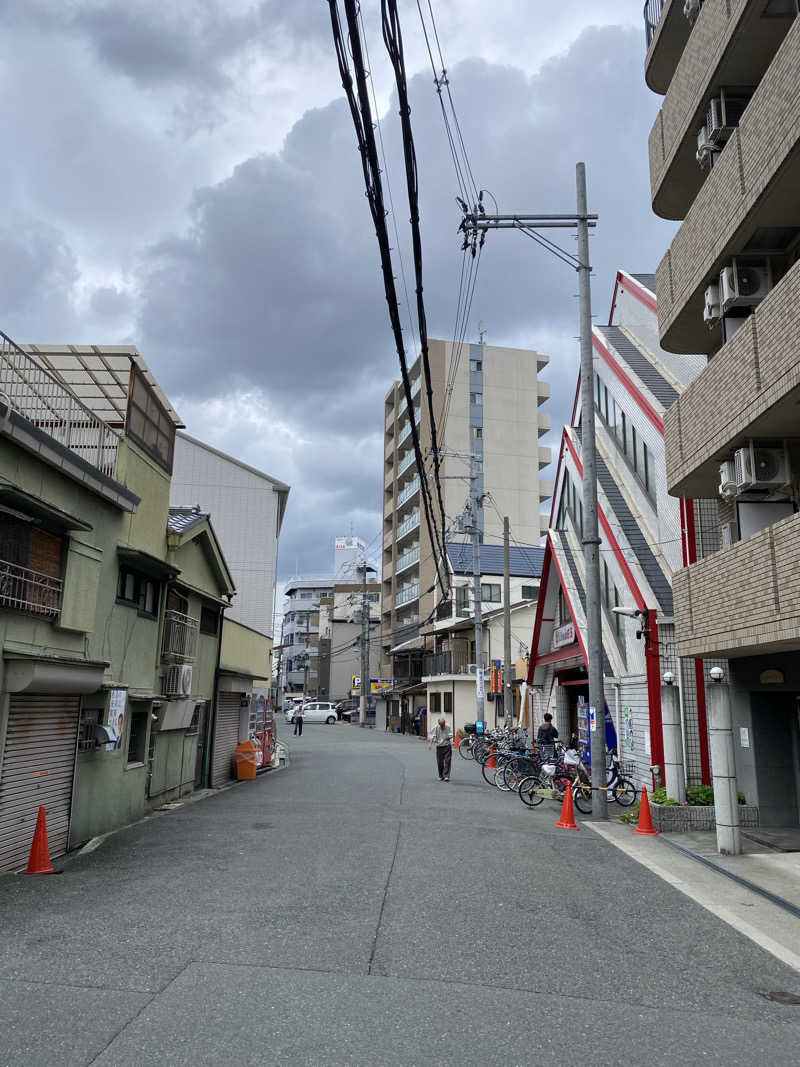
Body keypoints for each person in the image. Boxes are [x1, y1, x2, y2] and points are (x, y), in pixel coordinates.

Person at [428, 716, 453, 781]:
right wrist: (430, 744)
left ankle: (446, 776)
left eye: (444, 724)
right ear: (439, 724)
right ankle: (441, 775)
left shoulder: (448, 727)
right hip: (439, 746)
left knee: (447, 761)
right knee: (440, 762)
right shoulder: (436, 728)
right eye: (442, 724)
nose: (443, 725)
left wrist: (448, 737)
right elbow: (432, 736)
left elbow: (451, 735)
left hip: (447, 746)